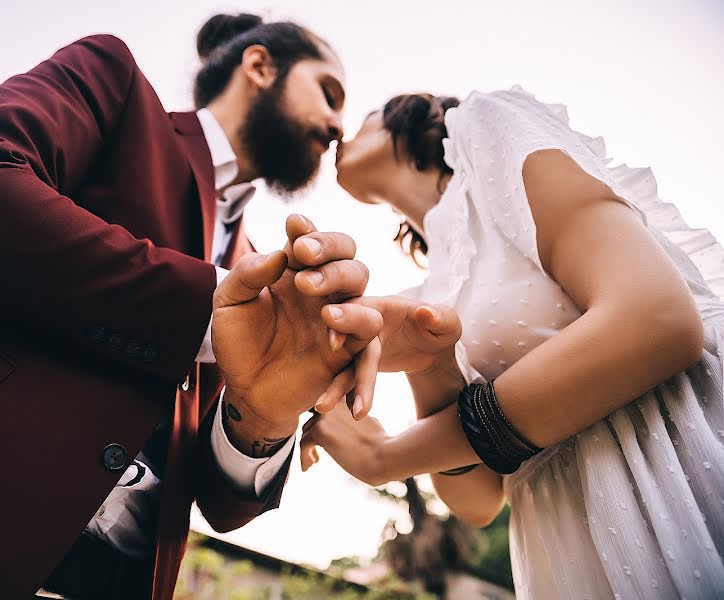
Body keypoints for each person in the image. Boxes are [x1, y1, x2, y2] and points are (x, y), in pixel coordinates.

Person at [0, 13, 386, 600]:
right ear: (260, 65)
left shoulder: (260, 274)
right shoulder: (115, 85)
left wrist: (268, 419)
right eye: (329, 93)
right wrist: (207, 310)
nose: (337, 125)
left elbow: (222, 504)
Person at [301, 87, 724, 598]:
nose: (346, 126)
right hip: (572, 544)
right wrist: (427, 365)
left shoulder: (487, 126)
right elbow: (478, 497)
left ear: (413, 116)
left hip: (682, 466)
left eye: (366, 114)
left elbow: (656, 318)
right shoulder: (430, 287)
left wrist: (387, 459)